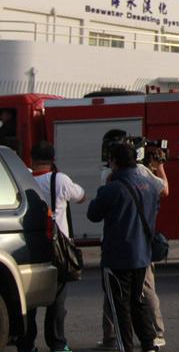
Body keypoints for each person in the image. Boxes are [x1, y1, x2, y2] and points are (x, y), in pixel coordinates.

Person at [96, 129, 168, 351]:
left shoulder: (111, 187)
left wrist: (108, 184)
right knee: (139, 303)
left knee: (120, 307)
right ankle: (149, 342)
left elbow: (93, 213)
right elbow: (161, 197)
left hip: (117, 256)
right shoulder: (148, 186)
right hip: (142, 254)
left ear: (114, 162)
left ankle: (124, 346)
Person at [17, 141, 85, 352]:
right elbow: (81, 197)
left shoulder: (23, 176)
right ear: (53, 160)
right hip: (58, 247)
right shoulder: (60, 179)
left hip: (31, 242)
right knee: (56, 301)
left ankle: (26, 345)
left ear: (31, 158)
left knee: (30, 299)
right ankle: (57, 344)